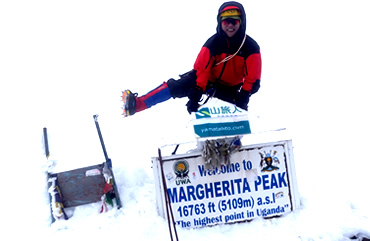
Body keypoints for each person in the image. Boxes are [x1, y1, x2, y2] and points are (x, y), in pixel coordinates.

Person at [122, 1, 262, 117]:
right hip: (206, 81)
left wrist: (244, 96)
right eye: (226, 22)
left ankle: (232, 144)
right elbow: (202, 69)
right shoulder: (212, 44)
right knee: (175, 87)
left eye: (234, 21)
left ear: (241, 22)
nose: (230, 26)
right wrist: (196, 94)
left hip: (230, 89)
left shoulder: (251, 48)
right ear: (220, 23)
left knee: (236, 116)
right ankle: (137, 104)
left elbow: (252, 78)